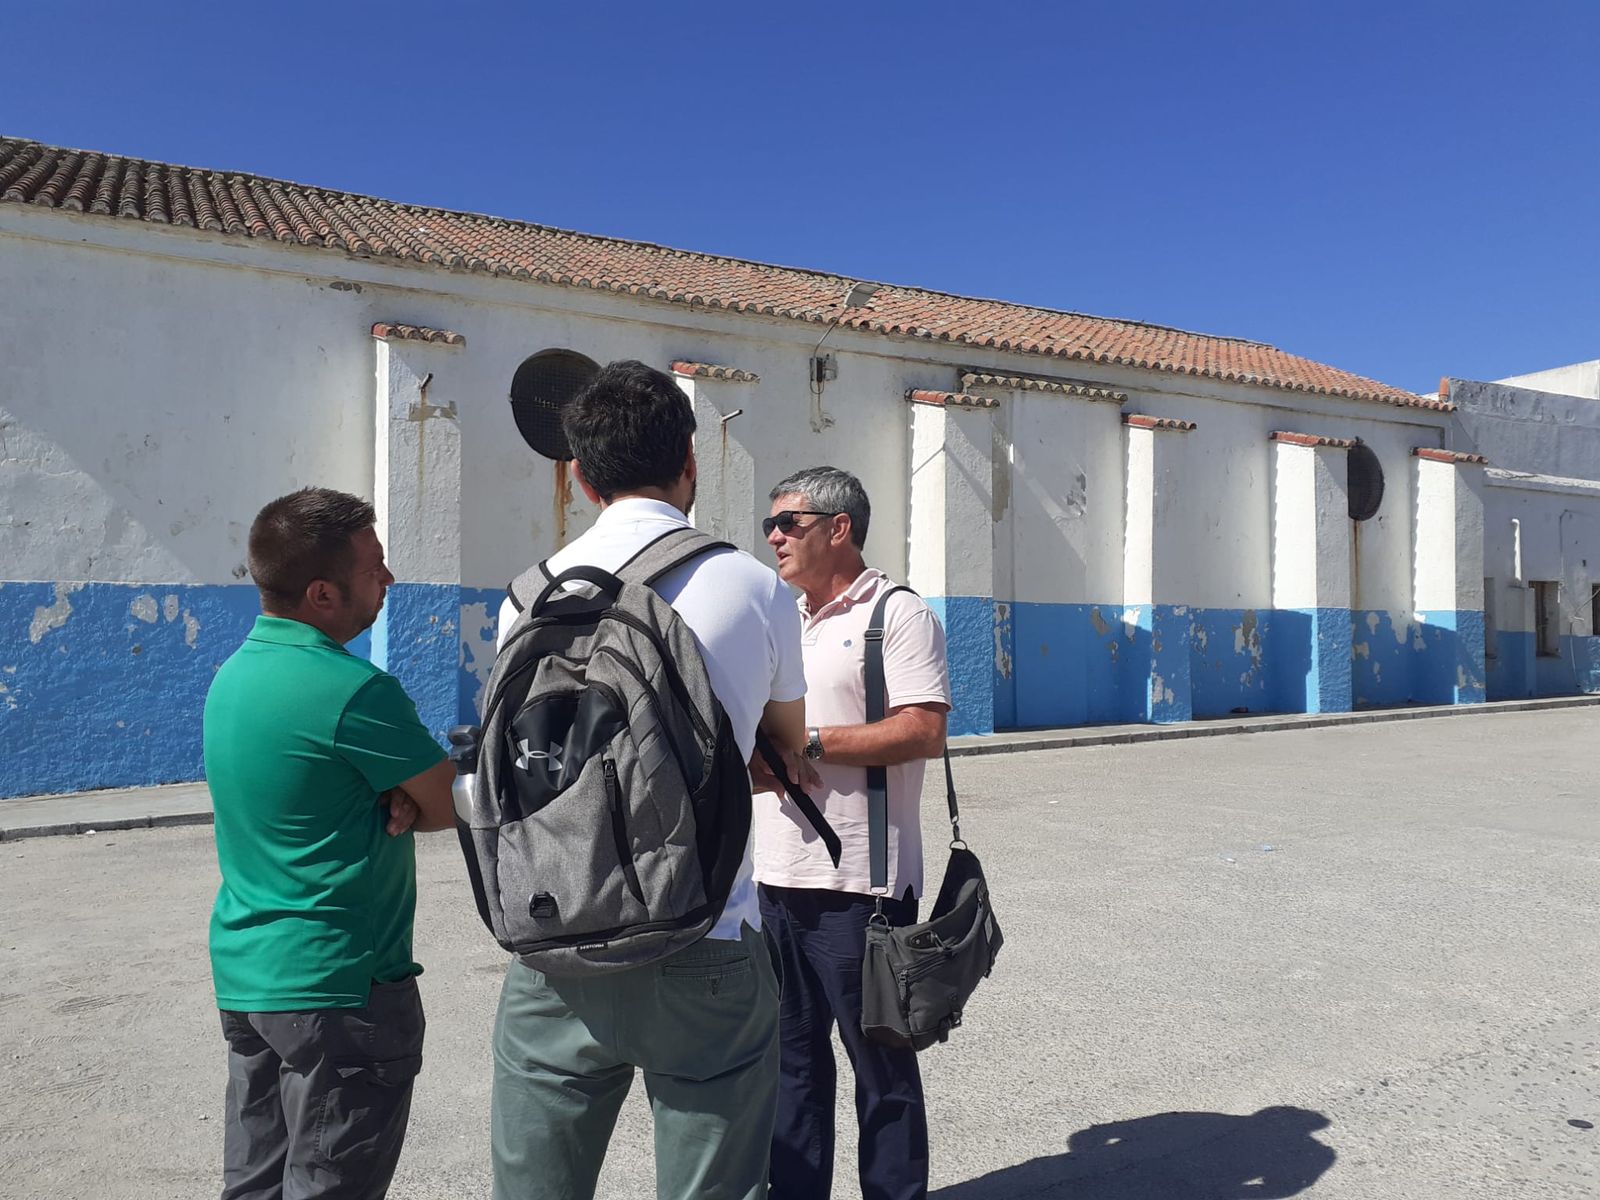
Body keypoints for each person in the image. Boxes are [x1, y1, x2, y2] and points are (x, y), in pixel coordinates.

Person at [490, 360, 810, 1200]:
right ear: (691, 463)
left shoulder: (524, 600)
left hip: (555, 937)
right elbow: (786, 753)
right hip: (704, 933)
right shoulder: (755, 587)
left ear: (583, 478)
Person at [204, 487, 456, 1200]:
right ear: (322, 593)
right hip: (340, 986)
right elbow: (446, 805)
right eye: (374, 568)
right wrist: (408, 791)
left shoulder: (232, 677)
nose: (389, 579)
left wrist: (397, 790)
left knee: (253, 1186)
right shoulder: (353, 690)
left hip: (252, 976)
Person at [753, 466, 952, 1200]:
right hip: (775, 879)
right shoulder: (782, 618)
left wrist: (809, 745)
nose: (773, 537)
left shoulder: (896, 614)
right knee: (790, 1066)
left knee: (881, 1071)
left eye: (788, 523)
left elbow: (924, 729)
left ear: (839, 529)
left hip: (862, 888)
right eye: (769, 526)